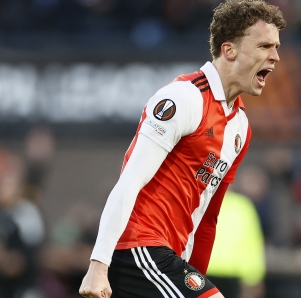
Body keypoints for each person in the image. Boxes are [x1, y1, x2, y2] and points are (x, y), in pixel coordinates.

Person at [79, 1, 286, 297]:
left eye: (276, 47)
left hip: (170, 259)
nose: (276, 57)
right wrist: (98, 265)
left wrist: (196, 277)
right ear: (230, 50)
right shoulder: (183, 99)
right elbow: (129, 180)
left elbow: (208, 217)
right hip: (137, 248)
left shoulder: (240, 127)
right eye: (265, 46)